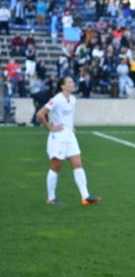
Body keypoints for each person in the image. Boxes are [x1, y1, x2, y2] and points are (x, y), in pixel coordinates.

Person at [36, 76, 101, 206]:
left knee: (78, 164)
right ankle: (51, 198)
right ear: (62, 86)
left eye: (72, 81)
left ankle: (85, 197)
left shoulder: (73, 99)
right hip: (58, 138)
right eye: (69, 82)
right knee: (56, 167)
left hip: (70, 137)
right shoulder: (57, 99)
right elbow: (40, 114)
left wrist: (71, 127)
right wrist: (49, 128)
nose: (72, 84)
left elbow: (68, 117)